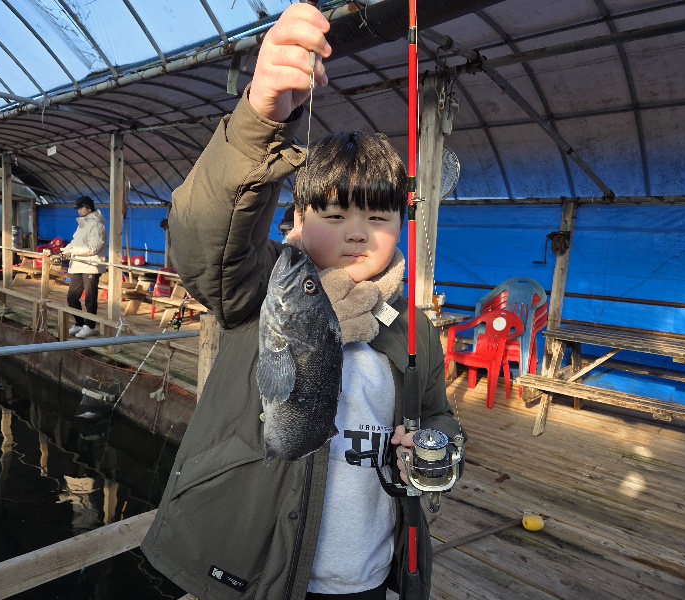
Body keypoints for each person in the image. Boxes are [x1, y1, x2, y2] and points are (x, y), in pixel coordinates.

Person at [141, 5, 464, 600]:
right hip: (257, 572)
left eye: (379, 217)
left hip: (370, 575)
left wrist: (436, 452)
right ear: (296, 218)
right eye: (334, 215)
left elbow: (438, 416)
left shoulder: (412, 328)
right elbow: (201, 236)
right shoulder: (262, 286)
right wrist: (259, 119)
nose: (357, 234)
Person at [62, 196, 107, 339]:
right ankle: (79, 323)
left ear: (88, 208)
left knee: (90, 297)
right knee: (72, 297)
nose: (79, 211)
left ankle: (90, 326)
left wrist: (73, 251)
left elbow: (94, 248)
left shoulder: (97, 225)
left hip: (91, 266)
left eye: (81, 208)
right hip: (78, 264)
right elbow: (75, 242)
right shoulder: (82, 225)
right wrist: (65, 249)